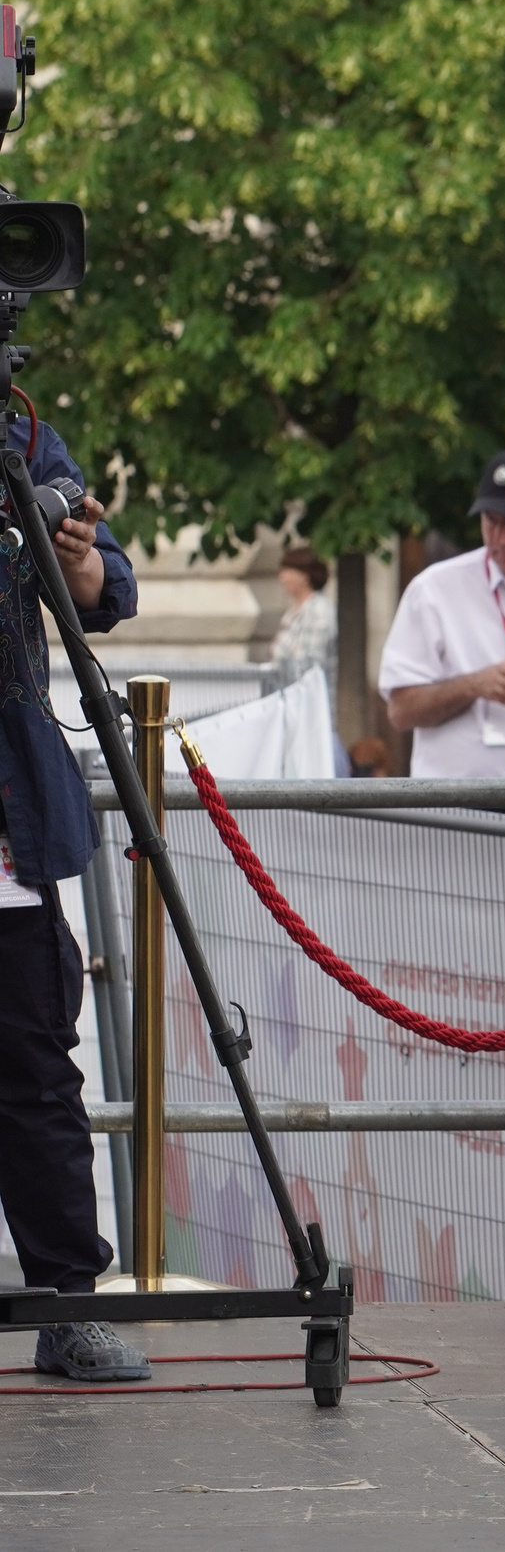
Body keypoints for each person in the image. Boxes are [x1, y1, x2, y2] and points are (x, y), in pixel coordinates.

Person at [0, 404, 148, 1383]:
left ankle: (67, 1305)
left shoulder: (17, 426)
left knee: (36, 1077)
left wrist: (74, 548)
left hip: (6, 814)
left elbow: (108, 584)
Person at [378, 451, 505, 778]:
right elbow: (400, 712)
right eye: (490, 522)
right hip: (456, 810)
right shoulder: (433, 589)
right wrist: (474, 686)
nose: (499, 539)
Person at [269, 545, 336, 692]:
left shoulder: (318, 612)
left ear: (304, 576)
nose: (282, 577)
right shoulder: (294, 612)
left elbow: (308, 665)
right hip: (291, 698)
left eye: (287, 571)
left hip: (308, 702)